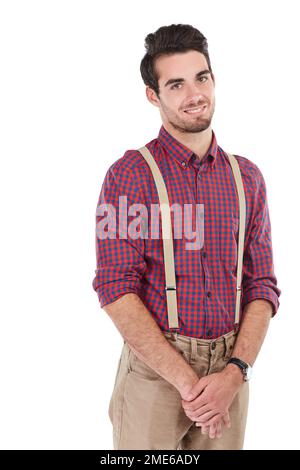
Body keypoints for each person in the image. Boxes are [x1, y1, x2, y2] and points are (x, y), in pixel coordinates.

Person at [92, 23, 281, 450]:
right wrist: (190, 384)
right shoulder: (128, 176)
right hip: (155, 376)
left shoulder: (247, 177)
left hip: (229, 373)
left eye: (202, 77)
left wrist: (233, 374)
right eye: (176, 84)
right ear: (153, 96)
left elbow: (262, 287)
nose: (194, 94)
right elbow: (114, 289)